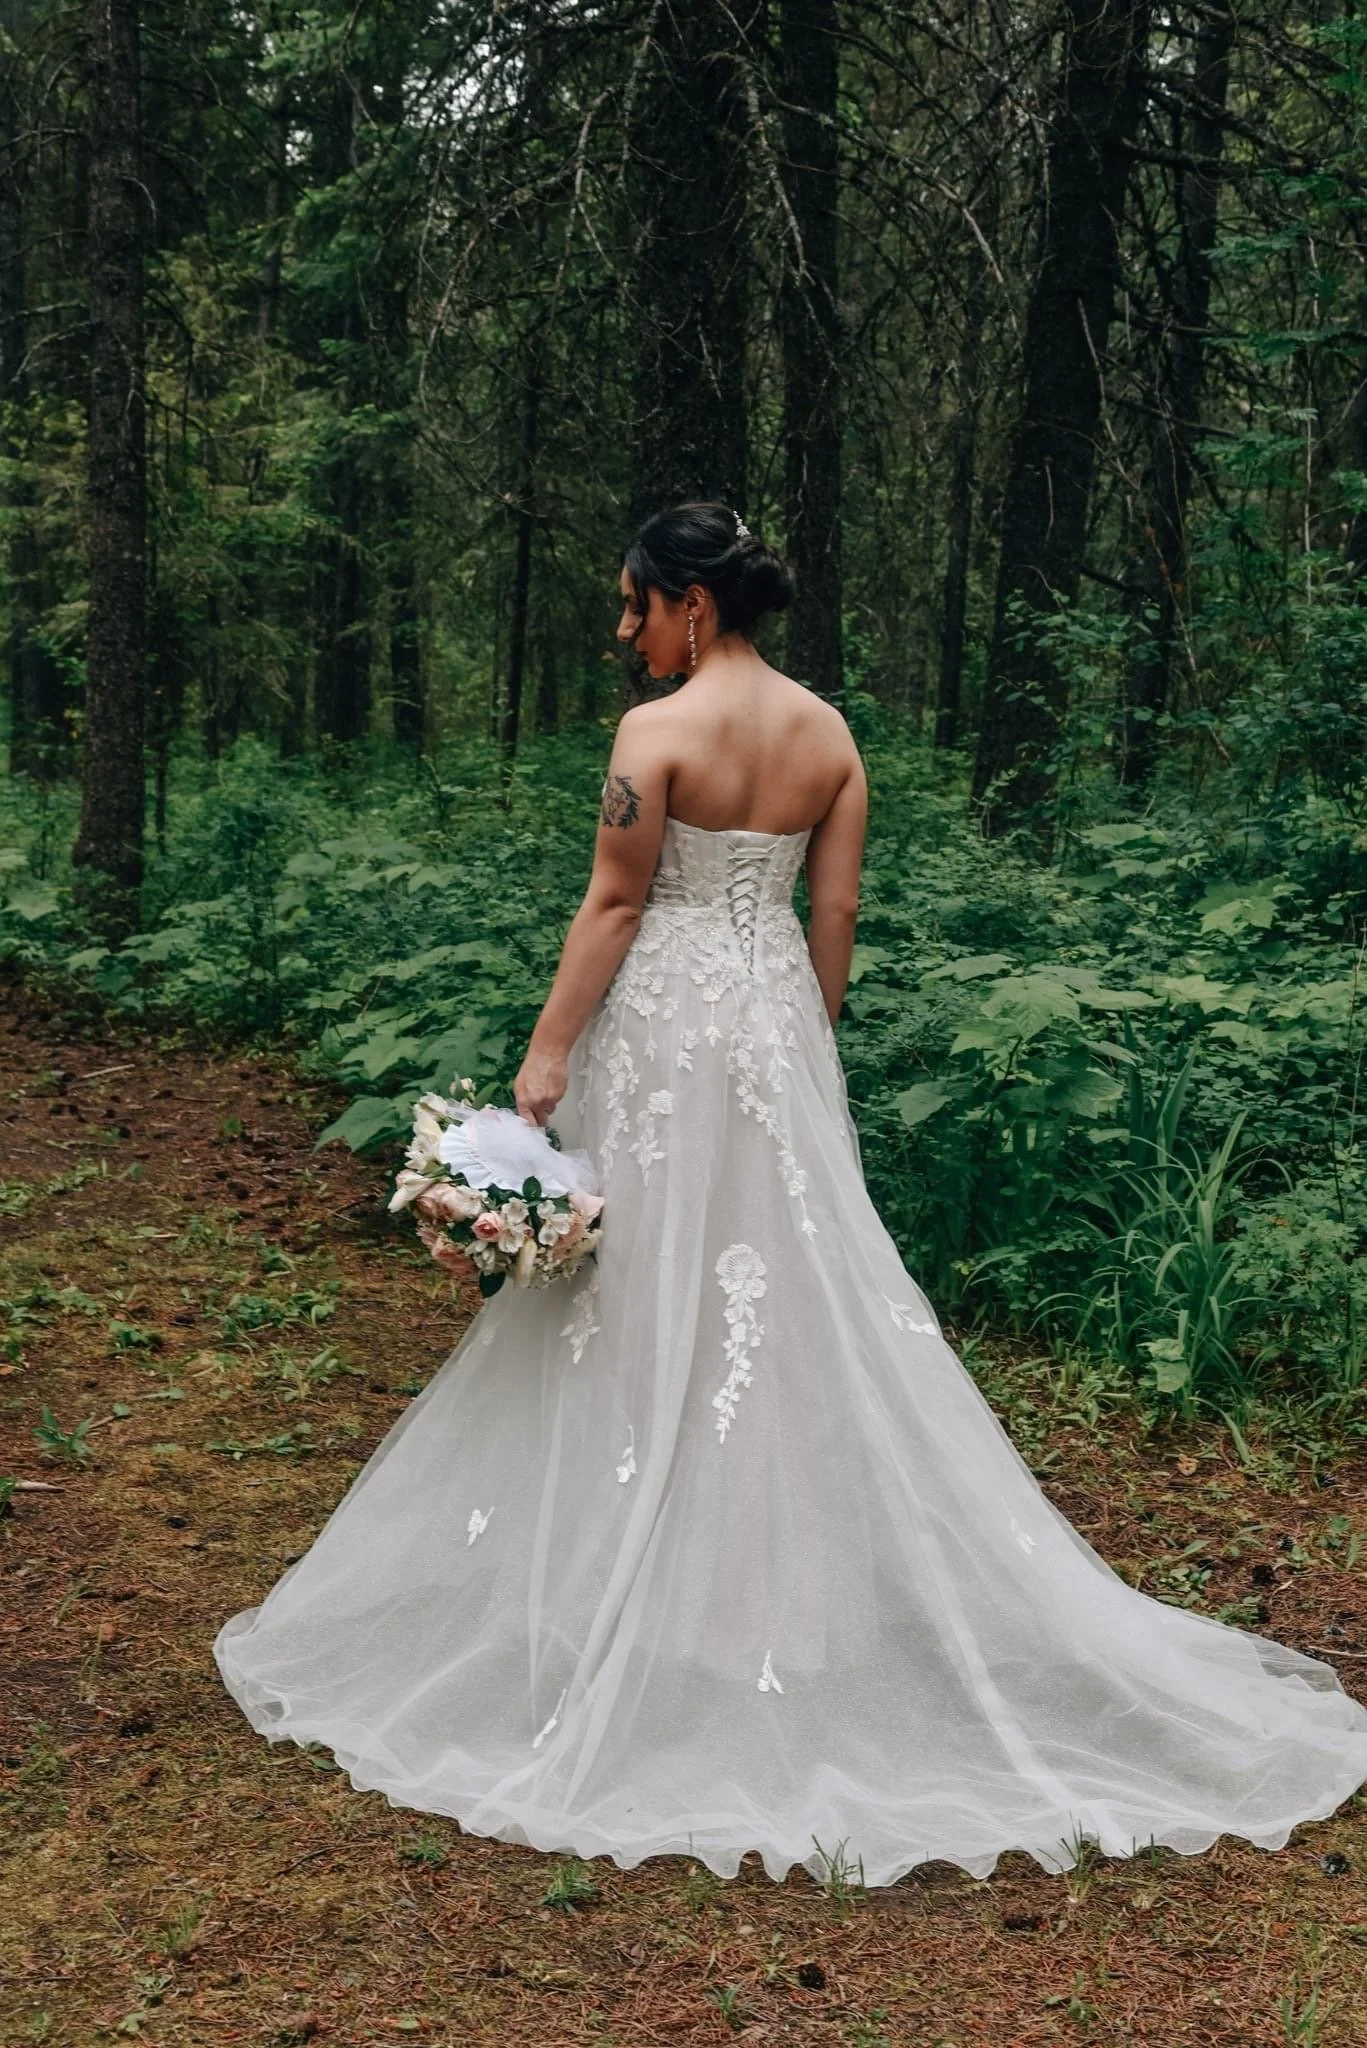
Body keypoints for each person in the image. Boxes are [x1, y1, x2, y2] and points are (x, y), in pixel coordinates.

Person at [215, 502, 1367, 1887]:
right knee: (787, 1304)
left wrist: (547, 1052)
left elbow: (615, 905)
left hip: (665, 1034)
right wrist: (798, 1043)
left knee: (641, 1287)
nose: (625, 630)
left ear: (690, 603)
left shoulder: (654, 736)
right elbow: (836, 917)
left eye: (635, 605)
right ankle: (759, 1605)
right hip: (774, 1028)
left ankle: (637, 1600)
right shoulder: (830, 735)